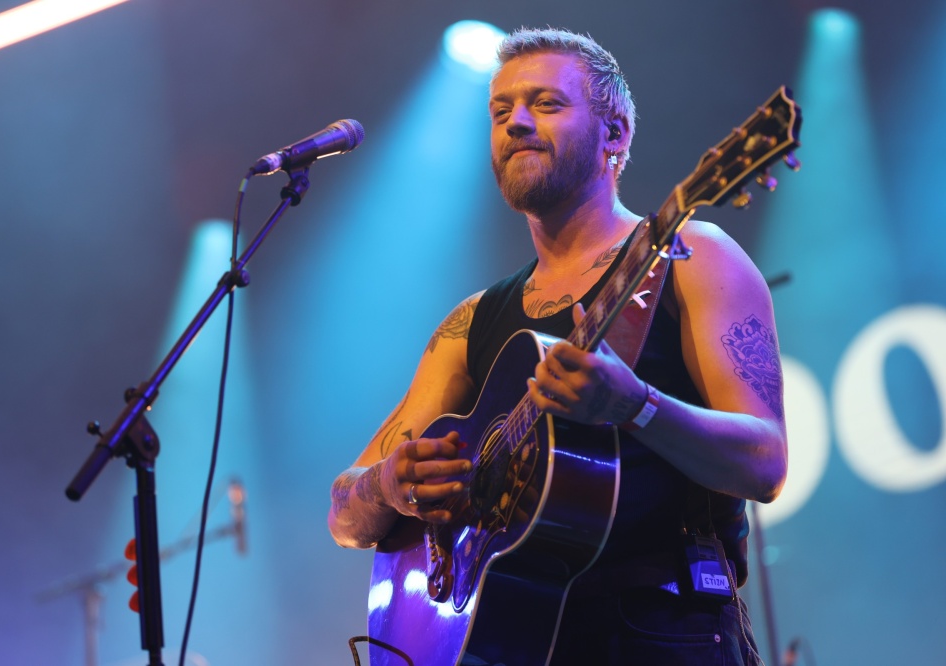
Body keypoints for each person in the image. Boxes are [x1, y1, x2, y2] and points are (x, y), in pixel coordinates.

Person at [328, 27, 787, 665]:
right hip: (510, 642)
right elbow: (344, 511)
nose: (516, 122)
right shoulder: (471, 322)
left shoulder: (695, 256)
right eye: (500, 111)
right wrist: (391, 484)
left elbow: (765, 463)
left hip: (664, 632)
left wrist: (637, 406)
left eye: (545, 104)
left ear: (615, 134)